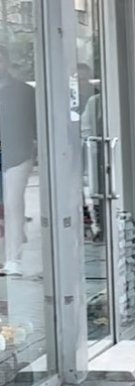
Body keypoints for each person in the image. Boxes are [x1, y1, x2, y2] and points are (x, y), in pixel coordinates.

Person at [0, 46, 37, 277]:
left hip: (17, 154)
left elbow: (35, 122)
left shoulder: (23, 91)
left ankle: (14, 259)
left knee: (13, 205)